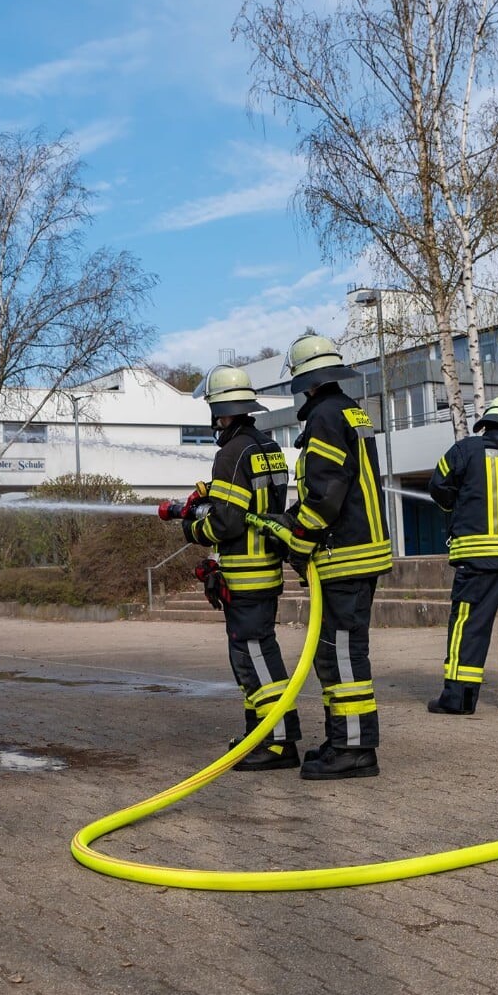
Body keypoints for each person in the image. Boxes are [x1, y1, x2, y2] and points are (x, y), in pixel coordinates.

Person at [265, 334, 392, 780]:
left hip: (346, 554)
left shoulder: (324, 417)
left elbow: (327, 491)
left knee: (341, 655)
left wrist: (297, 541)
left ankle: (354, 749)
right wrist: (290, 520)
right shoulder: (350, 411)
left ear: (305, 381)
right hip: (360, 549)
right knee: (336, 652)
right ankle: (342, 739)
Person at [163, 365, 299, 770]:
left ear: (219, 411)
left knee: (254, 657)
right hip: (265, 570)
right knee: (255, 656)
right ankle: (259, 734)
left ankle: (278, 742)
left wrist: (191, 528)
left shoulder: (231, 453)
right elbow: (250, 506)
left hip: (245, 575)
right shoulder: (267, 447)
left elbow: (226, 523)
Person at [425, 396, 498, 714]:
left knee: (470, 625)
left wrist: (459, 506)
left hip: (479, 559)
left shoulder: (465, 449)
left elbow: (438, 485)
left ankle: (459, 698)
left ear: (487, 421)